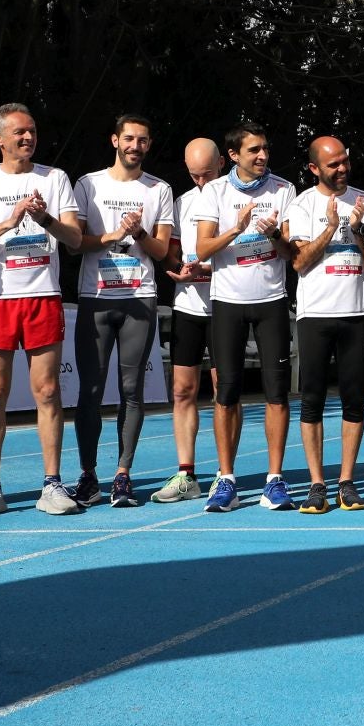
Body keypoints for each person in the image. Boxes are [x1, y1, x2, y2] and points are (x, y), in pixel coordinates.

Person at [0, 103, 83, 518]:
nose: (28, 138)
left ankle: (52, 484)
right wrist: (8, 223)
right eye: (19, 133)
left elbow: (75, 239)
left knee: (47, 391)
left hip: (42, 294)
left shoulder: (54, 177)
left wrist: (43, 217)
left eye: (32, 131)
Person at [70, 115, 174, 508]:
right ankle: (88, 475)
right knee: (90, 392)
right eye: (129, 138)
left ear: (148, 145)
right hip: (96, 297)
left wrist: (139, 233)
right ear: (115, 139)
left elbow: (163, 253)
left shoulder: (159, 189)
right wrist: (112, 236)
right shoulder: (88, 184)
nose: (135, 146)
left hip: (139, 298)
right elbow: (75, 242)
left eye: (143, 140)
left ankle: (122, 475)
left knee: (132, 391)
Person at [191, 122, 296, 512]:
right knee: (227, 392)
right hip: (228, 302)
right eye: (254, 150)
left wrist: (273, 237)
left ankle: (275, 480)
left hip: (271, 300)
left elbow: (290, 254)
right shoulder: (214, 192)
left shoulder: (284, 189)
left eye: (265, 148)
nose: (263, 156)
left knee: (277, 392)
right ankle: (226, 479)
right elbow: (202, 250)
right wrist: (237, 228)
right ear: (233, 155)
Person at [288, 136, 364, 514]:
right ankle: (317, 483)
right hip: (316, 314)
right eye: (333, 164)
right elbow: (299, 260)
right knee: (313, 400)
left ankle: (347, 481)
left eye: (344, 161)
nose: (341, 169)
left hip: (355, 311)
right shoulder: (302, 204)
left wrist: (357, 229)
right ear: (314, 169)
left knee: (354, 398)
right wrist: (332, 226)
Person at [155, 139, 223, 504]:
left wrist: (211, 268)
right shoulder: (182, 201)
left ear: (223, 164)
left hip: (225, 305)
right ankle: (187, 473)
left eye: (208, 174)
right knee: (182, 390)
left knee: (222, 391)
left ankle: (223, 475)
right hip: (188, 307)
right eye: (194, 175)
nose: (201, 182)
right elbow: (173, 251)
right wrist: (176, 268)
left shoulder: (232, 197)